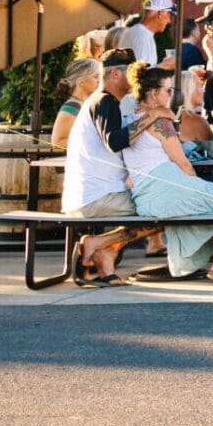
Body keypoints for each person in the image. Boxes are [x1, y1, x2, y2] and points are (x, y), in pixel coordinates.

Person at [123, 63, 213, 284]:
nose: (172, 95)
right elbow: (183, 163)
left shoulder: (129, 119)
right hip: (165, 187)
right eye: (168, 91)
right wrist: (196, 185)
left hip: (145, 195)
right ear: (154, 94)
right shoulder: (161, 123)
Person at [60, 49, 168, 286]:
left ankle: (105, 253)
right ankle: (98, 244)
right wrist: (151, 117)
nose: (137, 78)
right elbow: (114, 141)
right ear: (117, 74)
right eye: (132, 72)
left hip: (93, 194)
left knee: (163, 205)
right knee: (167, 209)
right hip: (96, 197)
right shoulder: (104, 100)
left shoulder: (105, 101)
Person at [51, 58, 101, 149]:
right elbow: (57, 142)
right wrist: (91, 145)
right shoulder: (72, 107)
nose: (100, 81)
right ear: (81, 82)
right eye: (95, 77)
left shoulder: (85, 104)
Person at [120, 0, 177, 69]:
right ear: (161, 13)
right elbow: (140, 74)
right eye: (169, 15)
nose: (169, 21)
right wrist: (164, 65)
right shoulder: (141, 35)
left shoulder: (143, 33)